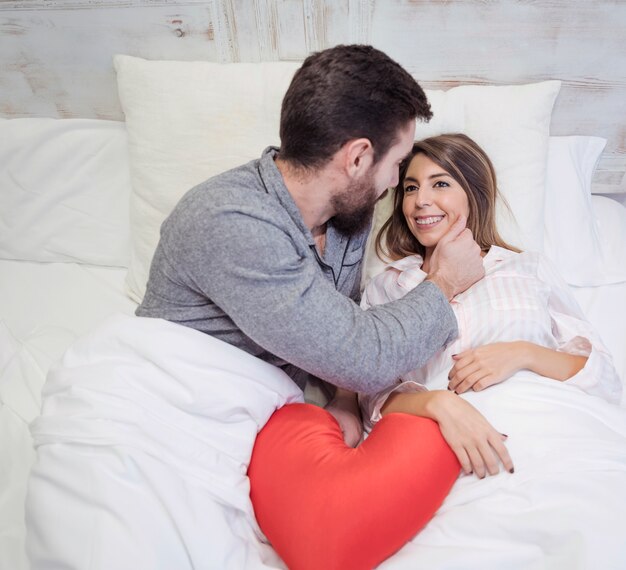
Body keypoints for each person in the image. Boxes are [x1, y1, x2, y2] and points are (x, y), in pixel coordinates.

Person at [136, 45, 486, 446]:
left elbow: (335, 322)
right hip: (171, 411)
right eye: (397, 164)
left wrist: (343, 397)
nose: (394, 183)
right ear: (357, 158)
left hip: (257, 417)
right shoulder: (231, 220)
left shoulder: (347, 209)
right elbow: (365, 356)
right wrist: (444, 280)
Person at [359, 133, 622, 478]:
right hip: (446, 446)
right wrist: (438, 403)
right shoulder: (388, 287)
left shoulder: (528, 267)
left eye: (440, 184)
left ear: (474, 194)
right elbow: (373, 399)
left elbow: (603, 378)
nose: (421, 200)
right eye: (410, 188)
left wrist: (522, 353)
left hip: (554, 432)